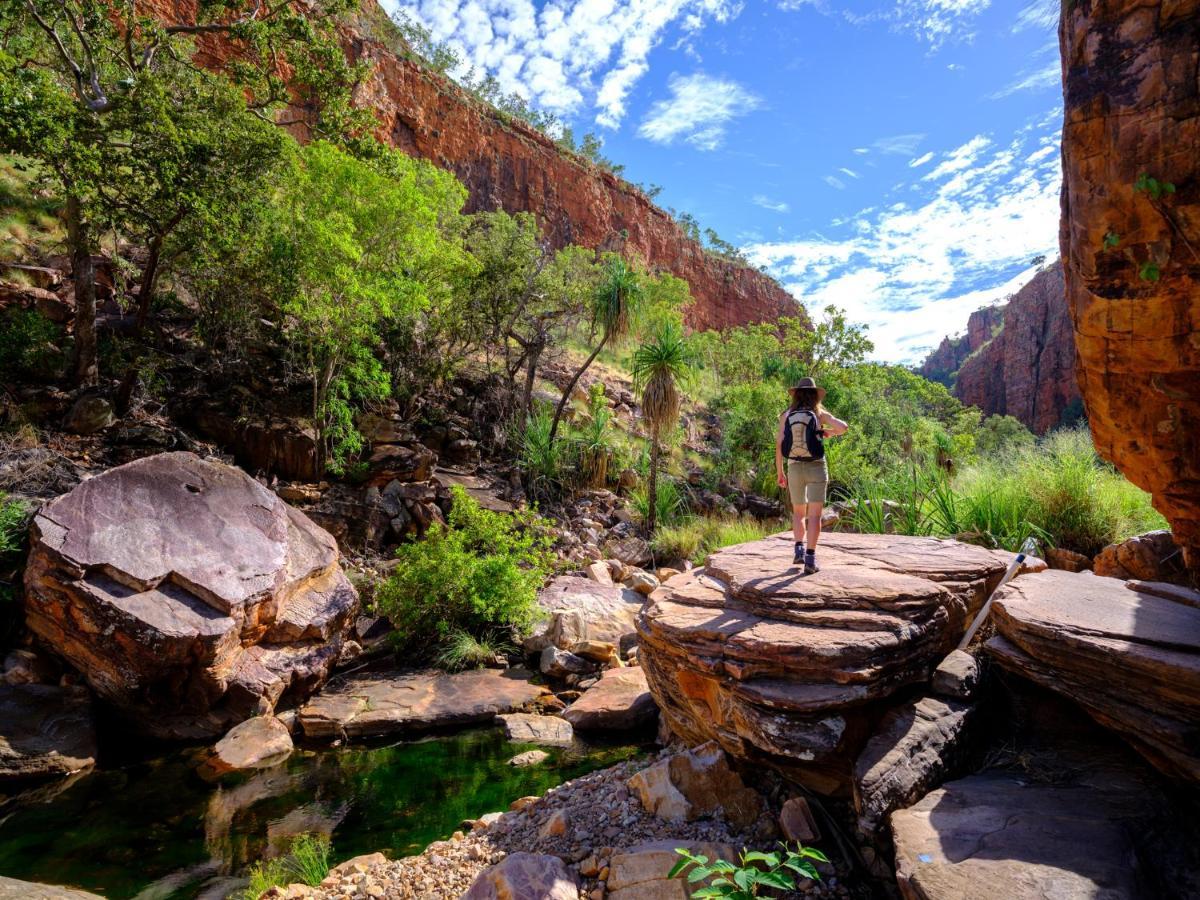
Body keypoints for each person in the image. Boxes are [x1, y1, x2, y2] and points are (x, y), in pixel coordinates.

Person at [775, 377, 848, 573]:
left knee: (799, 513)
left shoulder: (787, 414)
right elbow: (844, 427)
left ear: (796, 394)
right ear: (815, 395)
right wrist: (828, 432)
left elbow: (780, 444)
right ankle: (810, 559)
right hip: (816, 466)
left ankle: (798, 549)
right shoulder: (818, 413)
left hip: (794, 467)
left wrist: (780, 472)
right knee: (815, 516)